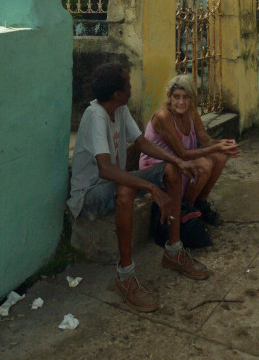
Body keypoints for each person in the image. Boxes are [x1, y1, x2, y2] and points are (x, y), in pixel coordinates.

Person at [67, 62, 209, 312]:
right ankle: (125, 277)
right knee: (126, 188)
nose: (131, 86)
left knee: (171, 170)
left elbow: (142, 143)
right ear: (117, 93)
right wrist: (152, 188)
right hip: (90, 194)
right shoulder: (96, 115)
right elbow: (105, 169)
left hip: (112, 179)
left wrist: (177, 160)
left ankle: (174, 251)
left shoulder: (119, 109)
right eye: (127, 83)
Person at [140, 74, 241, 225]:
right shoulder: (163, 116)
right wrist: (216, 147)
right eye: (176, 97)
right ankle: (184, 208)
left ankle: (200, 203)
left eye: (186, 97)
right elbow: (182, 153)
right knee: (205, 164)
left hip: (182, 163)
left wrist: (223, 144)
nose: (181, 102)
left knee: (220, 156)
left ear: (192, 98)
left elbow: (205, 140)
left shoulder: (191, 111)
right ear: (169, 97)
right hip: (161, 168)